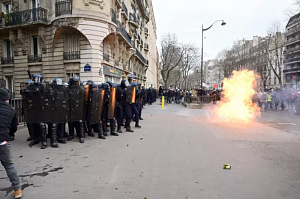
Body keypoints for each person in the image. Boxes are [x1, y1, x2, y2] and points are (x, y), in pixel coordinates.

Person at [0, 88, 22, 198]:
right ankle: (17, 190)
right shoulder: (12, 110)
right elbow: (14, 127)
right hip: (3, 141)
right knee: (9, 165)